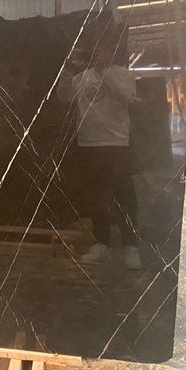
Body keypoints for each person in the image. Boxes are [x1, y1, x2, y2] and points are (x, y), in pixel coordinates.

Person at [58, 35, 142, 270]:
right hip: (88, 144)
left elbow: (125, 97)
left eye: (102, 51)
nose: (97, 54)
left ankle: (131, 247)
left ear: (111, 52)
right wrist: (67, 69)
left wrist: (105, 71)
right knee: (96, 197)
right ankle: (101, 243)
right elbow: (62, 96)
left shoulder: (123, 74)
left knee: (124, 197)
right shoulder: (82, 77)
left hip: (116, 144)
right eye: (94, 51)